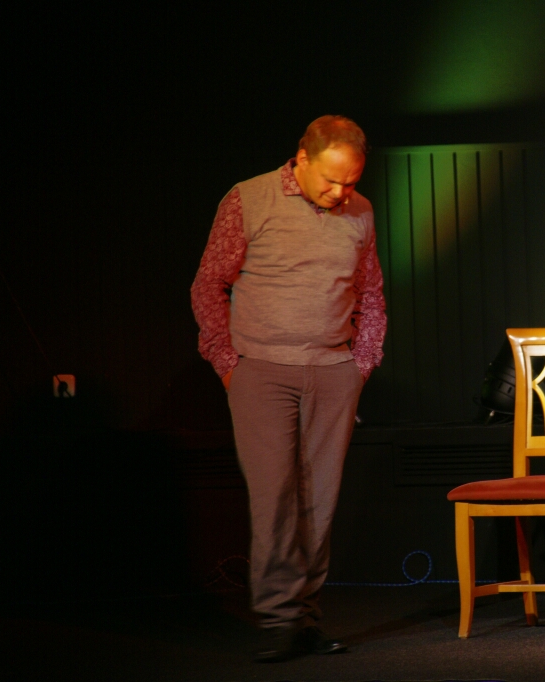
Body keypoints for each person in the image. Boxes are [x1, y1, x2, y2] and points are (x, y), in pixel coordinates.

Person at [190, 115, 386, 662]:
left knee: (319, 501)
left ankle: (306, 620)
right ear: (301, 159)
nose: (340, 192)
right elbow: (209, 284)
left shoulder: (360, 211)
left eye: (350, 182)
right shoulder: (248, 199)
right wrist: (229, 364)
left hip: (333, 370)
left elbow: (371, 293)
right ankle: (278, 620)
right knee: (274, 497)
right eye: (331, 180)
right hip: (263, 370)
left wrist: (362, 363)